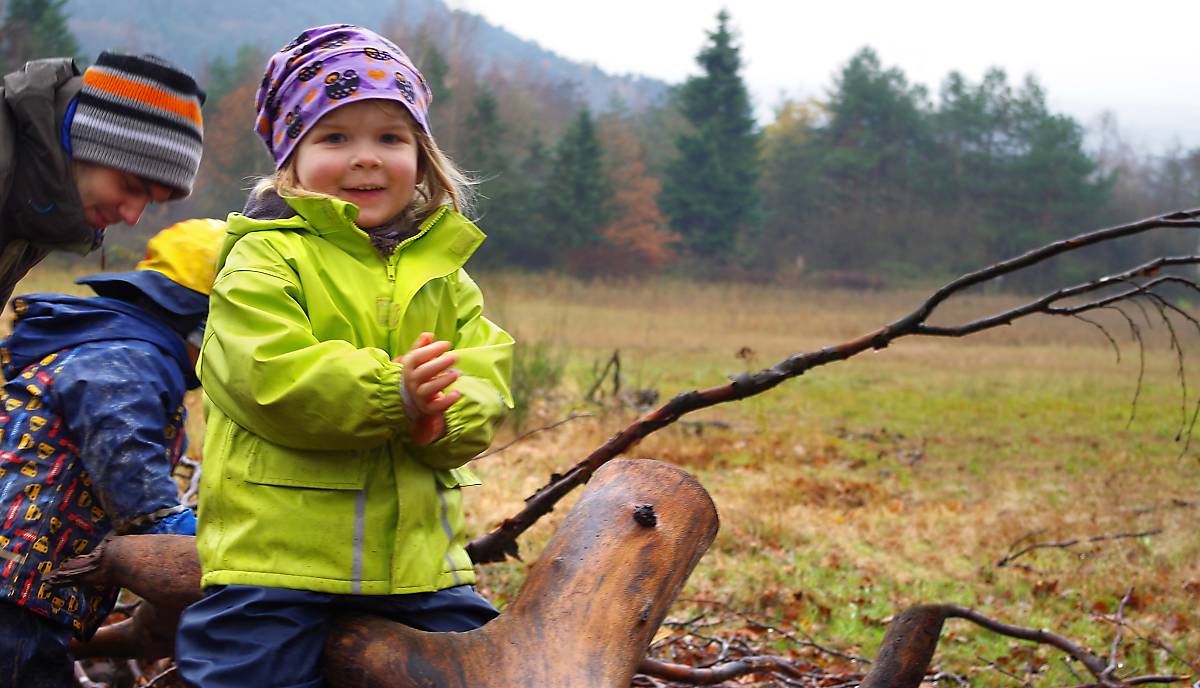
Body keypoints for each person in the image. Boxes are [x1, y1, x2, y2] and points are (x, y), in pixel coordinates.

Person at [175, 24, 514, 688]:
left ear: (422, 153)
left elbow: (484, 375)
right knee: (244, 675)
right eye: (335, 138)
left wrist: (439, 416)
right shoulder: (265, 255)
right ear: (290, 157)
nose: (366, 158)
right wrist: (397, 394)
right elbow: (267, 376)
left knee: (490, 668)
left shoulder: (445, 272)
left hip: (417, 567)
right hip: (275, 562)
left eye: (390, 137)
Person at [0, 217, 225, 688]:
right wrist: (178, 530)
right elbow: (128, 464)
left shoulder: (113, 347)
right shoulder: (127, 362)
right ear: (203, 328)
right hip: (14, 595)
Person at [0, 51, 206, 306]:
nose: (132, 217)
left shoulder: (44, 201)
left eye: (148, 201)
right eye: (130, 187)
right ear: (87, 142)